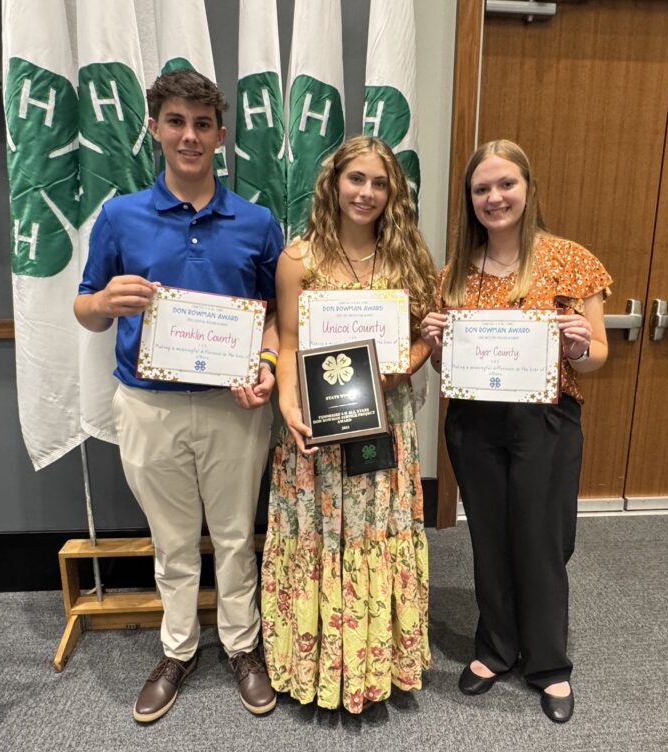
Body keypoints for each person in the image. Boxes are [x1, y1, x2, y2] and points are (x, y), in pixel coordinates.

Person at [74, 69, 282, 721]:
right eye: (175, 122)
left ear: (221, 136)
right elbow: (85, 307)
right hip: (148, 405)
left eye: (201, 124)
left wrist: (270, 361)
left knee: (233, 535)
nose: (188, 136)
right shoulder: (119, 216)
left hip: (233, 405)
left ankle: (242, 646)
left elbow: (277, 314)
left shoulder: (256, 222)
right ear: (154, 129)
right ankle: (177, 649)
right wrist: (104, 301)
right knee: (170, 540)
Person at [420, 139, 612, 723]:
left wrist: (580, 345)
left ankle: (549, 663)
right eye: (482, 189)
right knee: (491, 537)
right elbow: (441, 365)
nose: (495, 197)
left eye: (506, 185)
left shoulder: (570, 260)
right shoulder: (452, 273)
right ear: (469, 199)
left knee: (542, 539)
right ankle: (496, 647)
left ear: (528, 189)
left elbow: (598, 356)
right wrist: (433, 344)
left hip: (545, 419)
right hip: (474, 421)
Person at [261, 135, 436, 713]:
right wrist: (288, 407)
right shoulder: (298, 259)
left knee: (373, 534)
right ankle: (309, 662)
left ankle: (374, 663)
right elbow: (287, 343)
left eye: (379, 183)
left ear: (394, 193)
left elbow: (421, 341)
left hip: (384, 421)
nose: (366, 193)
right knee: (317, 532)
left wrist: (398, 369)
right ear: (333, 182)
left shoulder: (408, 257)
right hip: (316, 421)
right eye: (355, 179)